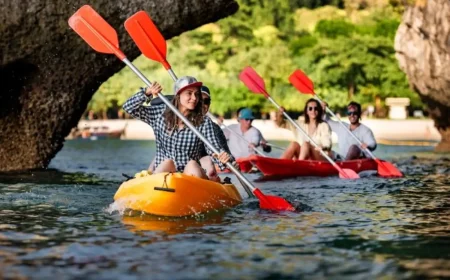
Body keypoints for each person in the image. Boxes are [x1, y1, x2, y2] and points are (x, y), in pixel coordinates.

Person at [123, 76, 234, 180]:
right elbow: (128, 107)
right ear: (178, 95)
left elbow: (215, 150)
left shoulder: (204, 122)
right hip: (164, 173)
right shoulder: (159, 113)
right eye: (189, 93)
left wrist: (223, 159)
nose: (194, 98)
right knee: (168, 162)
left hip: (189, 175)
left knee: (192, 164)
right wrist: (147, 93)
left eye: (196, 94)